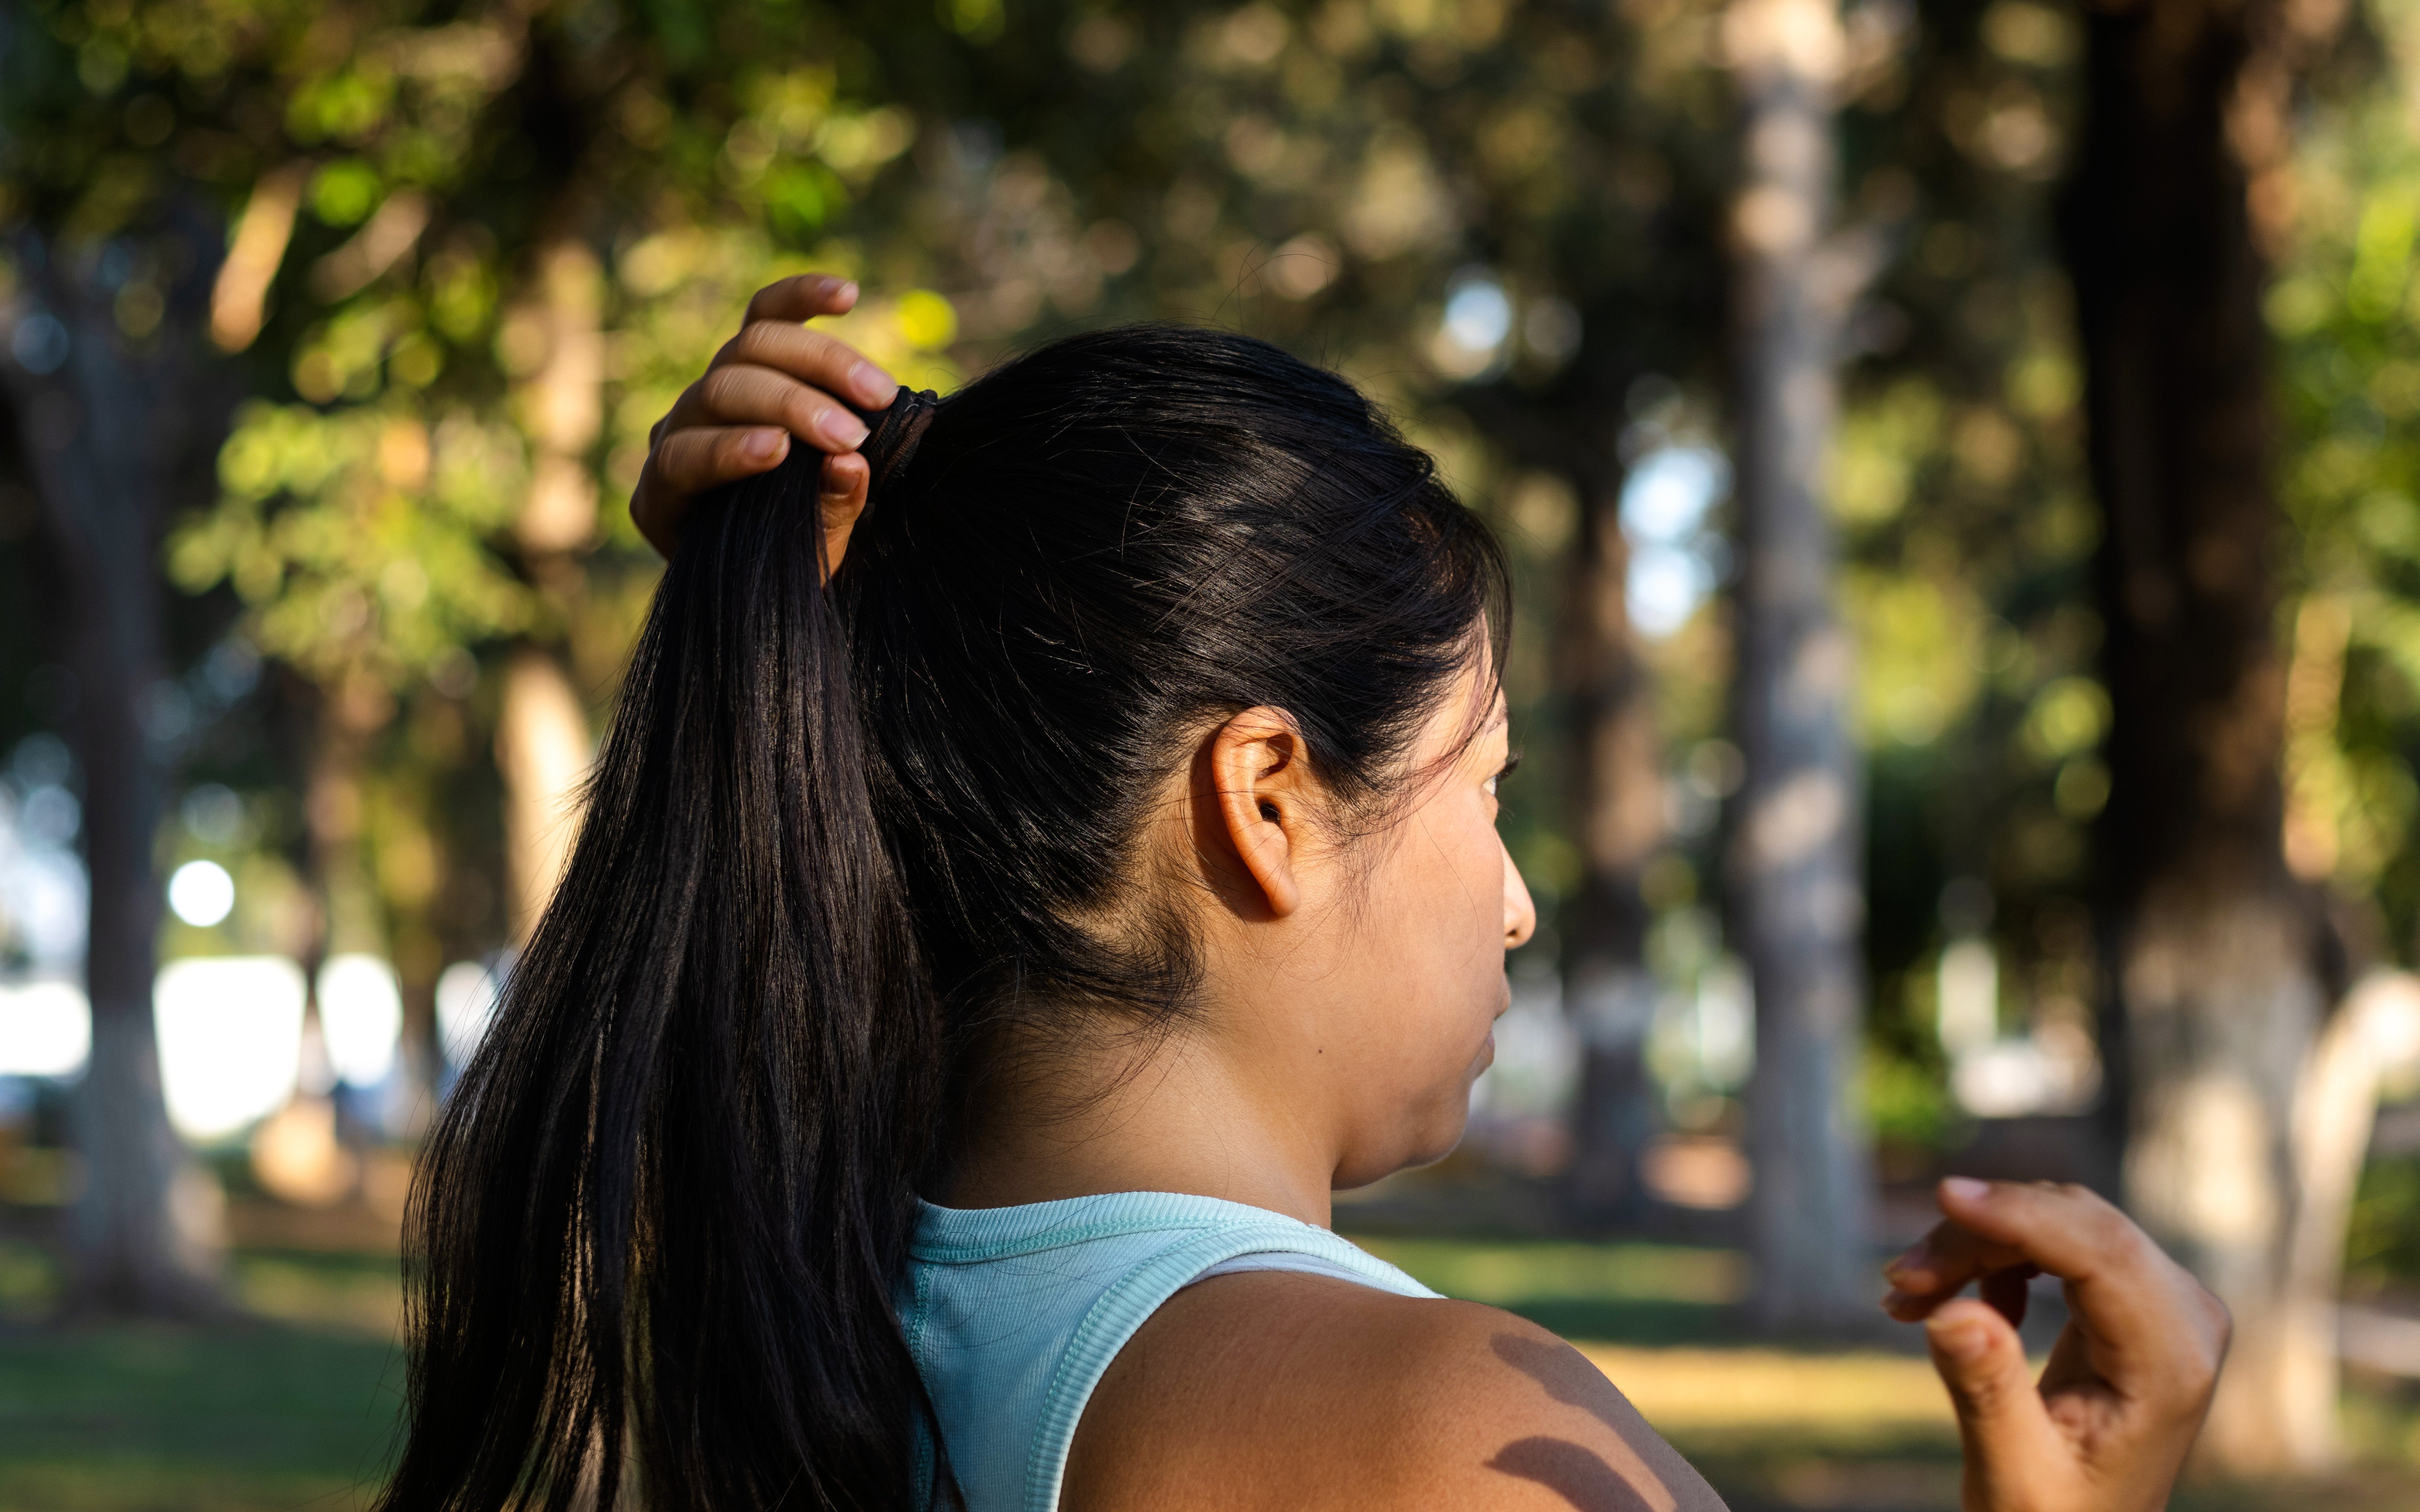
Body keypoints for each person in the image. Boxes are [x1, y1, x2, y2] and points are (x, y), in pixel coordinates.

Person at [381, 277, 2231, 1512]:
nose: (1512, 904)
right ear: (1264, 795)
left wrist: (787, 645)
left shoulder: (806, 1321)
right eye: (1483, 790)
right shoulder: (1432, 1428)